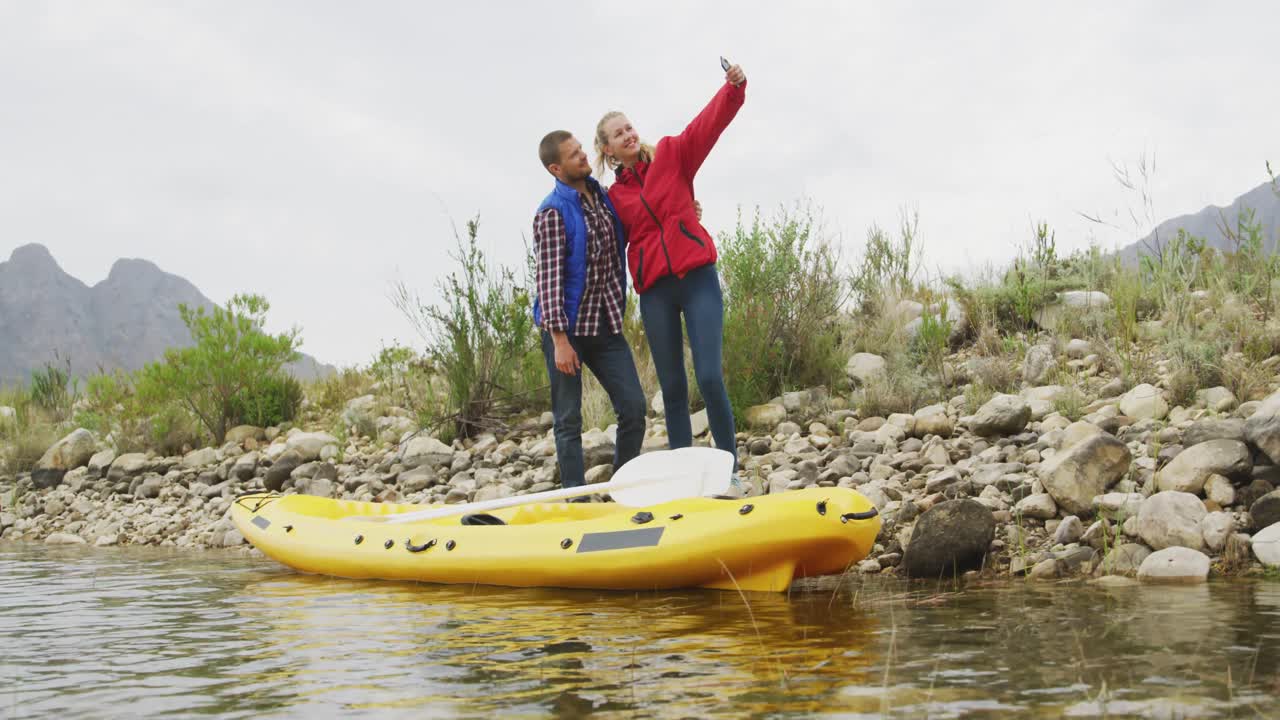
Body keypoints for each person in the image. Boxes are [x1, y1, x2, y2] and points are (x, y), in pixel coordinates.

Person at [593, 62, 747, 470]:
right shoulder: (614, 198)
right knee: (674, 389)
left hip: (697, 279)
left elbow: (706, 126)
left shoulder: (673, 156)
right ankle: (684, 479)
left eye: (629, 127)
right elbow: (603, 242)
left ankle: (729, 470)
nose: (628, 134)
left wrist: (733, 89)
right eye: (618, 134)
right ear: (607, 149)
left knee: (710, 378)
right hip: (656, 294)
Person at [531, 130, 647, 498]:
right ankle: (575, 499)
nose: (584, 157)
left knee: (633, 409)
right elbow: (548, 280)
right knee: (568, 420)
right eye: (573, 155)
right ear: (556, 167)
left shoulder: (604, 198)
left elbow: (637, 222)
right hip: (567, 332)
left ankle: (620, 490)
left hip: (606, 325)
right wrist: (560, 342)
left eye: (581, 149)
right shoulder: (551, 212)